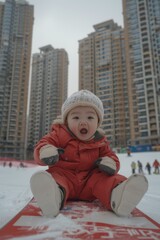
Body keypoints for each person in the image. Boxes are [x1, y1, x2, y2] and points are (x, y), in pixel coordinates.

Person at [30, 90, 148, 218]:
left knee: (107, 180)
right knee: (54, 179)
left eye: (90, 117)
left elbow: (110, 156)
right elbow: (43, 144)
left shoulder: (100, 141)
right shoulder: (58, 135)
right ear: (66, 121)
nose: (83, 122)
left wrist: (110, 163)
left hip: (91, 182)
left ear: (98, 122)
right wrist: (45, 151)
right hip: (64, 176)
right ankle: (52, 197)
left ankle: (119, 195)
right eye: (76, 117)